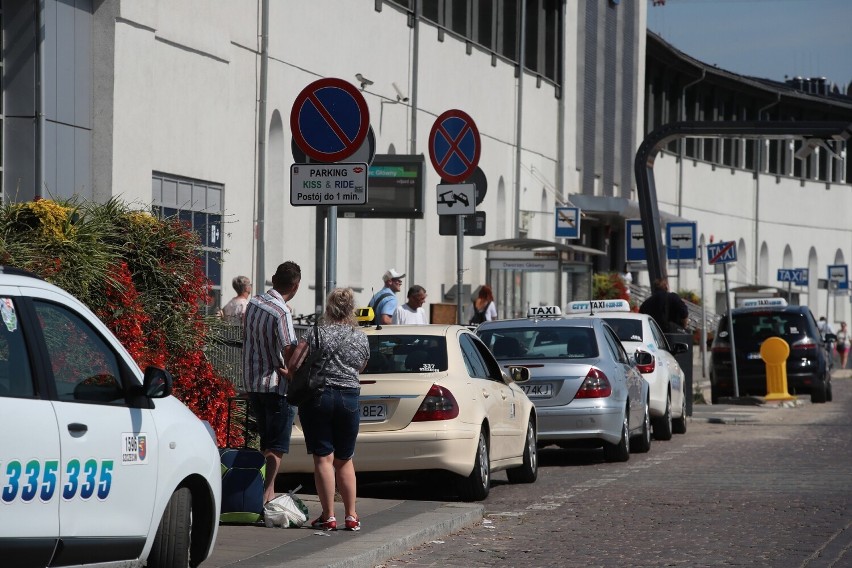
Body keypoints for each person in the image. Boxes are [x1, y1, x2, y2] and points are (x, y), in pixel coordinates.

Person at [298, 288, 369, 532]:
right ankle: (351, 515)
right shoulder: (360, 337)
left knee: (323, 458)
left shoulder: (315, 332)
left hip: (319, 396)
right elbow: (361, 366)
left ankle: (328, 516)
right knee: (345, 459)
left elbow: (296, 360)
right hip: (349, 397)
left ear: (329, 309)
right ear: (351, 311)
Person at [242, 261, 301, 505]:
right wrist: (292, 374)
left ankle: (265, 493)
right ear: (296, 286)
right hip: (276, 386)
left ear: (274, 279)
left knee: (265, 442)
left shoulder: (254, 303)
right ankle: (266, 496)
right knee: (276, 446)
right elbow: (290, 348)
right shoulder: (281, 312)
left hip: (253, 382)